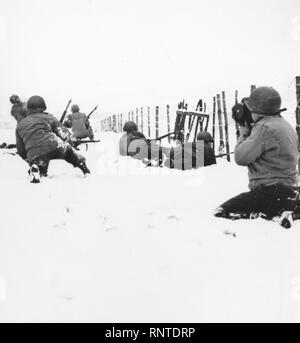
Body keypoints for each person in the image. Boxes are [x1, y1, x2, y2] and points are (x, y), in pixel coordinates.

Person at [214, 86, 300, 228]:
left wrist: (243, 130)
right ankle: (290, 211)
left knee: (220, 213)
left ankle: (272, 215)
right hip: (292, 190)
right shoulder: (284, 125)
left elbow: (241, 157)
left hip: (271, 192)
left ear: (258, 110)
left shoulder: (264, 128)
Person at [16, 95, 90, 183]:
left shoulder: (20, 124)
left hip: (34, 152)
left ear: (28, 108)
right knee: (68, 150)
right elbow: (64, 133)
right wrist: (71, 144)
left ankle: (37, 168)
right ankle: (84, 168)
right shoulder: (49, 117)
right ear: (43, 107)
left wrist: (29, 159)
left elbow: (20, 149)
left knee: (39, 161)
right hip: (53, 145)